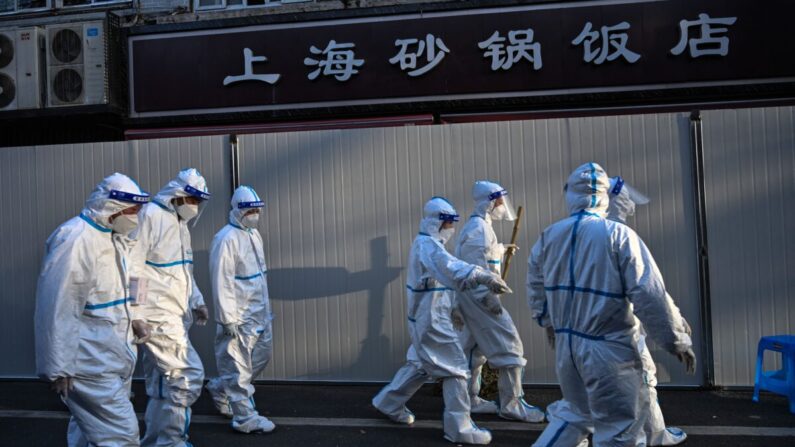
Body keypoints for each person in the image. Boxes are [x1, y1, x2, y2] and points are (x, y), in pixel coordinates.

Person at [527, 163, 696, 447]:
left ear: (570, 194)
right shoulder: (618, 236)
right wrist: (676, 341)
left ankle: (658, 434)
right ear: (605, 195)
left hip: (568, 350)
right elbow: (649, 295)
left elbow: (535, 287)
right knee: (618, 430)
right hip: (609, 352)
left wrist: (547, 321)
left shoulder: (548, 236)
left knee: (575, 416)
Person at [372, 196, 513, 445]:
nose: (452, 229)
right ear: (438, 222)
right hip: (430, 319)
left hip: (430, 316)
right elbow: (449, 267)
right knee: (456, 369)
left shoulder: (429, 244)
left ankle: (389, 402)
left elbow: (447, 274)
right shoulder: (428, 246)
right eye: (449, 223)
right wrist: (481, 274)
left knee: (420, 363)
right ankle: (459, 427)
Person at [35, 173, 152, 447]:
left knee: (87, 429)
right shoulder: (76, 240)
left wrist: (138, 315)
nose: (136, 216)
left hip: (112, 356)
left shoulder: (117, 238)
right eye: (132, 210)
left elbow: (135, 276)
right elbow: (57, 307)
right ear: (112, 207)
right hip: (89, 362)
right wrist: (58, 365)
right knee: (121, 435)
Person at [607, 176, 691, 446]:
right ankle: (655, 436)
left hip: (588, 337)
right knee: (643, 382)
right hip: (623, 332)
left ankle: (650, 434)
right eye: (625, 199)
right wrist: (675, 334)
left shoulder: (583, 235)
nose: (630, 205)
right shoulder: (621, 237)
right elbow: (649, 293)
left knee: (595, 396)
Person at [130, 168, 211, 447]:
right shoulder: (150, 216)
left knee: (162, 384)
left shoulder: (179, 223)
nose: (195, 206)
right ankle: (171, 441)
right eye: (192, 199)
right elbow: (134, 267)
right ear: (177, 195)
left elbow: (184, 269)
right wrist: (137, 313)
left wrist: (196, 300)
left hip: (175, 313)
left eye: (199, 201)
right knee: (186, 375)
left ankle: (158, 440)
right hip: (157, 316)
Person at [453, 181, 544, 422]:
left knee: (474, 349)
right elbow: (476, 269)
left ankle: (469, 399)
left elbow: (482, 256)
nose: (503, 205)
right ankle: (512, 404)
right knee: (511, 348)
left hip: (472, 301)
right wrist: (489, 301)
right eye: (500, 200)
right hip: (481, 300)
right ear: (490, 201)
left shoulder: (479, 226)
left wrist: (501, 249)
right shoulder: (479, 230)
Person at [204, 185, 276, 433]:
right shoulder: (226, 239)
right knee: (237, 368)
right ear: (237, 211)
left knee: (261, 357)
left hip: (259, 313)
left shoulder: (254, 235)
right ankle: (245, 418)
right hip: (238, 316)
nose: (255, 214)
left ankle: (220, 388)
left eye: (257, 210)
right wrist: (227, 319)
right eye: (250, 210)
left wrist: (265, 311)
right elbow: (220, 280)